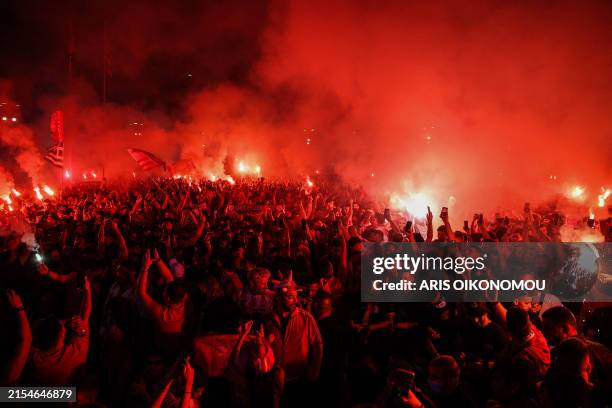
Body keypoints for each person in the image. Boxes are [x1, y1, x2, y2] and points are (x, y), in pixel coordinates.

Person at [27, 276, 91, 386]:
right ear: (61, 334)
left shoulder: (34, 360)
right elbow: (85, 314)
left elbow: (24, 338)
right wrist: (87, 291)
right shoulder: (76, 352)